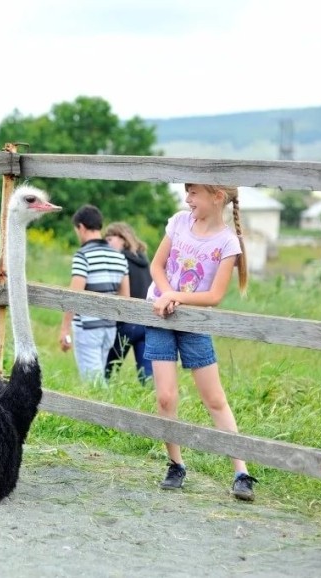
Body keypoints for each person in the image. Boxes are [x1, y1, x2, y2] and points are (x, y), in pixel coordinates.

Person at [144, 183, 257, 501]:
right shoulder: (179, 222)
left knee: (215, 400)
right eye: (187, 192)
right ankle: (175, 464)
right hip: (160, 316)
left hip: (194, 324)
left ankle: (241, 471)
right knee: (166, 398)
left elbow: (214, 296)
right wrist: (166, 294)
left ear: (216, 196)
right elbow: (156, 265)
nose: (187, 199)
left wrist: (175, 296)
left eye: (193, 193)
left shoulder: (227, 243)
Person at [59, 204, 129, 383]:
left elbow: (75, 295)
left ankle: (105, 412)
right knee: (99, 377)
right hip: (109, 327)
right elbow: (125, 298)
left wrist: (65, 330)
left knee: (93, 383)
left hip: (87, 327)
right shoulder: (119, 257)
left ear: (81, 227)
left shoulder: (83, 256)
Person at [103, 221, 153, 384]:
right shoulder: (145, 261)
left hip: (126, 322)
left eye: (110, 239)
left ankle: (101, 399)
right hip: (146, 322)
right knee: (147, 376)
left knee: (107, 372)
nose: (107, 243)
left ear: (123, 239)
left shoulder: (119, 260)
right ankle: (150, 405)